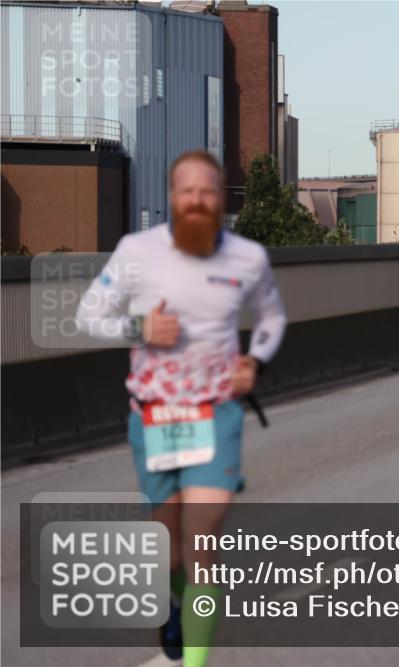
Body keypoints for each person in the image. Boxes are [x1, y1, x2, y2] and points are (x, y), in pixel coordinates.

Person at [76, 150, 287, 667]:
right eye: (187, 190)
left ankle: (195, 660)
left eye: (208, 190)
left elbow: (271, 318)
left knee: (203, 537)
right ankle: (175, 604)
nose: (197, 200)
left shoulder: (247, 258)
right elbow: (87, 314)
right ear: (173, 197)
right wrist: (139, 328)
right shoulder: (136, 251)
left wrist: (254, 361)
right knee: (169, 552)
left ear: (222, 198)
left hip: (216, 413)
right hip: (155, 416)